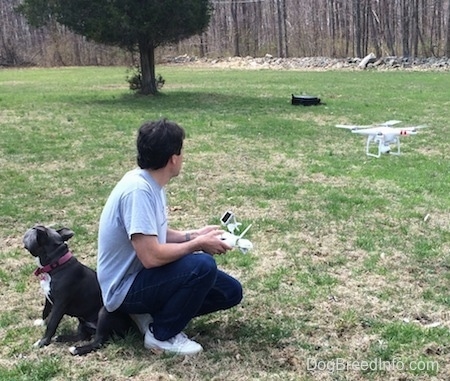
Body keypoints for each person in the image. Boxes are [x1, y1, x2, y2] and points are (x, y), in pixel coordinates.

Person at [97, 118, 243, 355]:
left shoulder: (150, 182)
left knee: (230, 291)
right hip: (124, 287)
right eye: (182, 152)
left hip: (142, 277)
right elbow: (151, 256)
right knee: (202, 265)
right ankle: (161, 335)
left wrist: (192, 235)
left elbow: (153, 234)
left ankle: (151, 315)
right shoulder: (138, 191)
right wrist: (198, 244)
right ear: (173, 158)